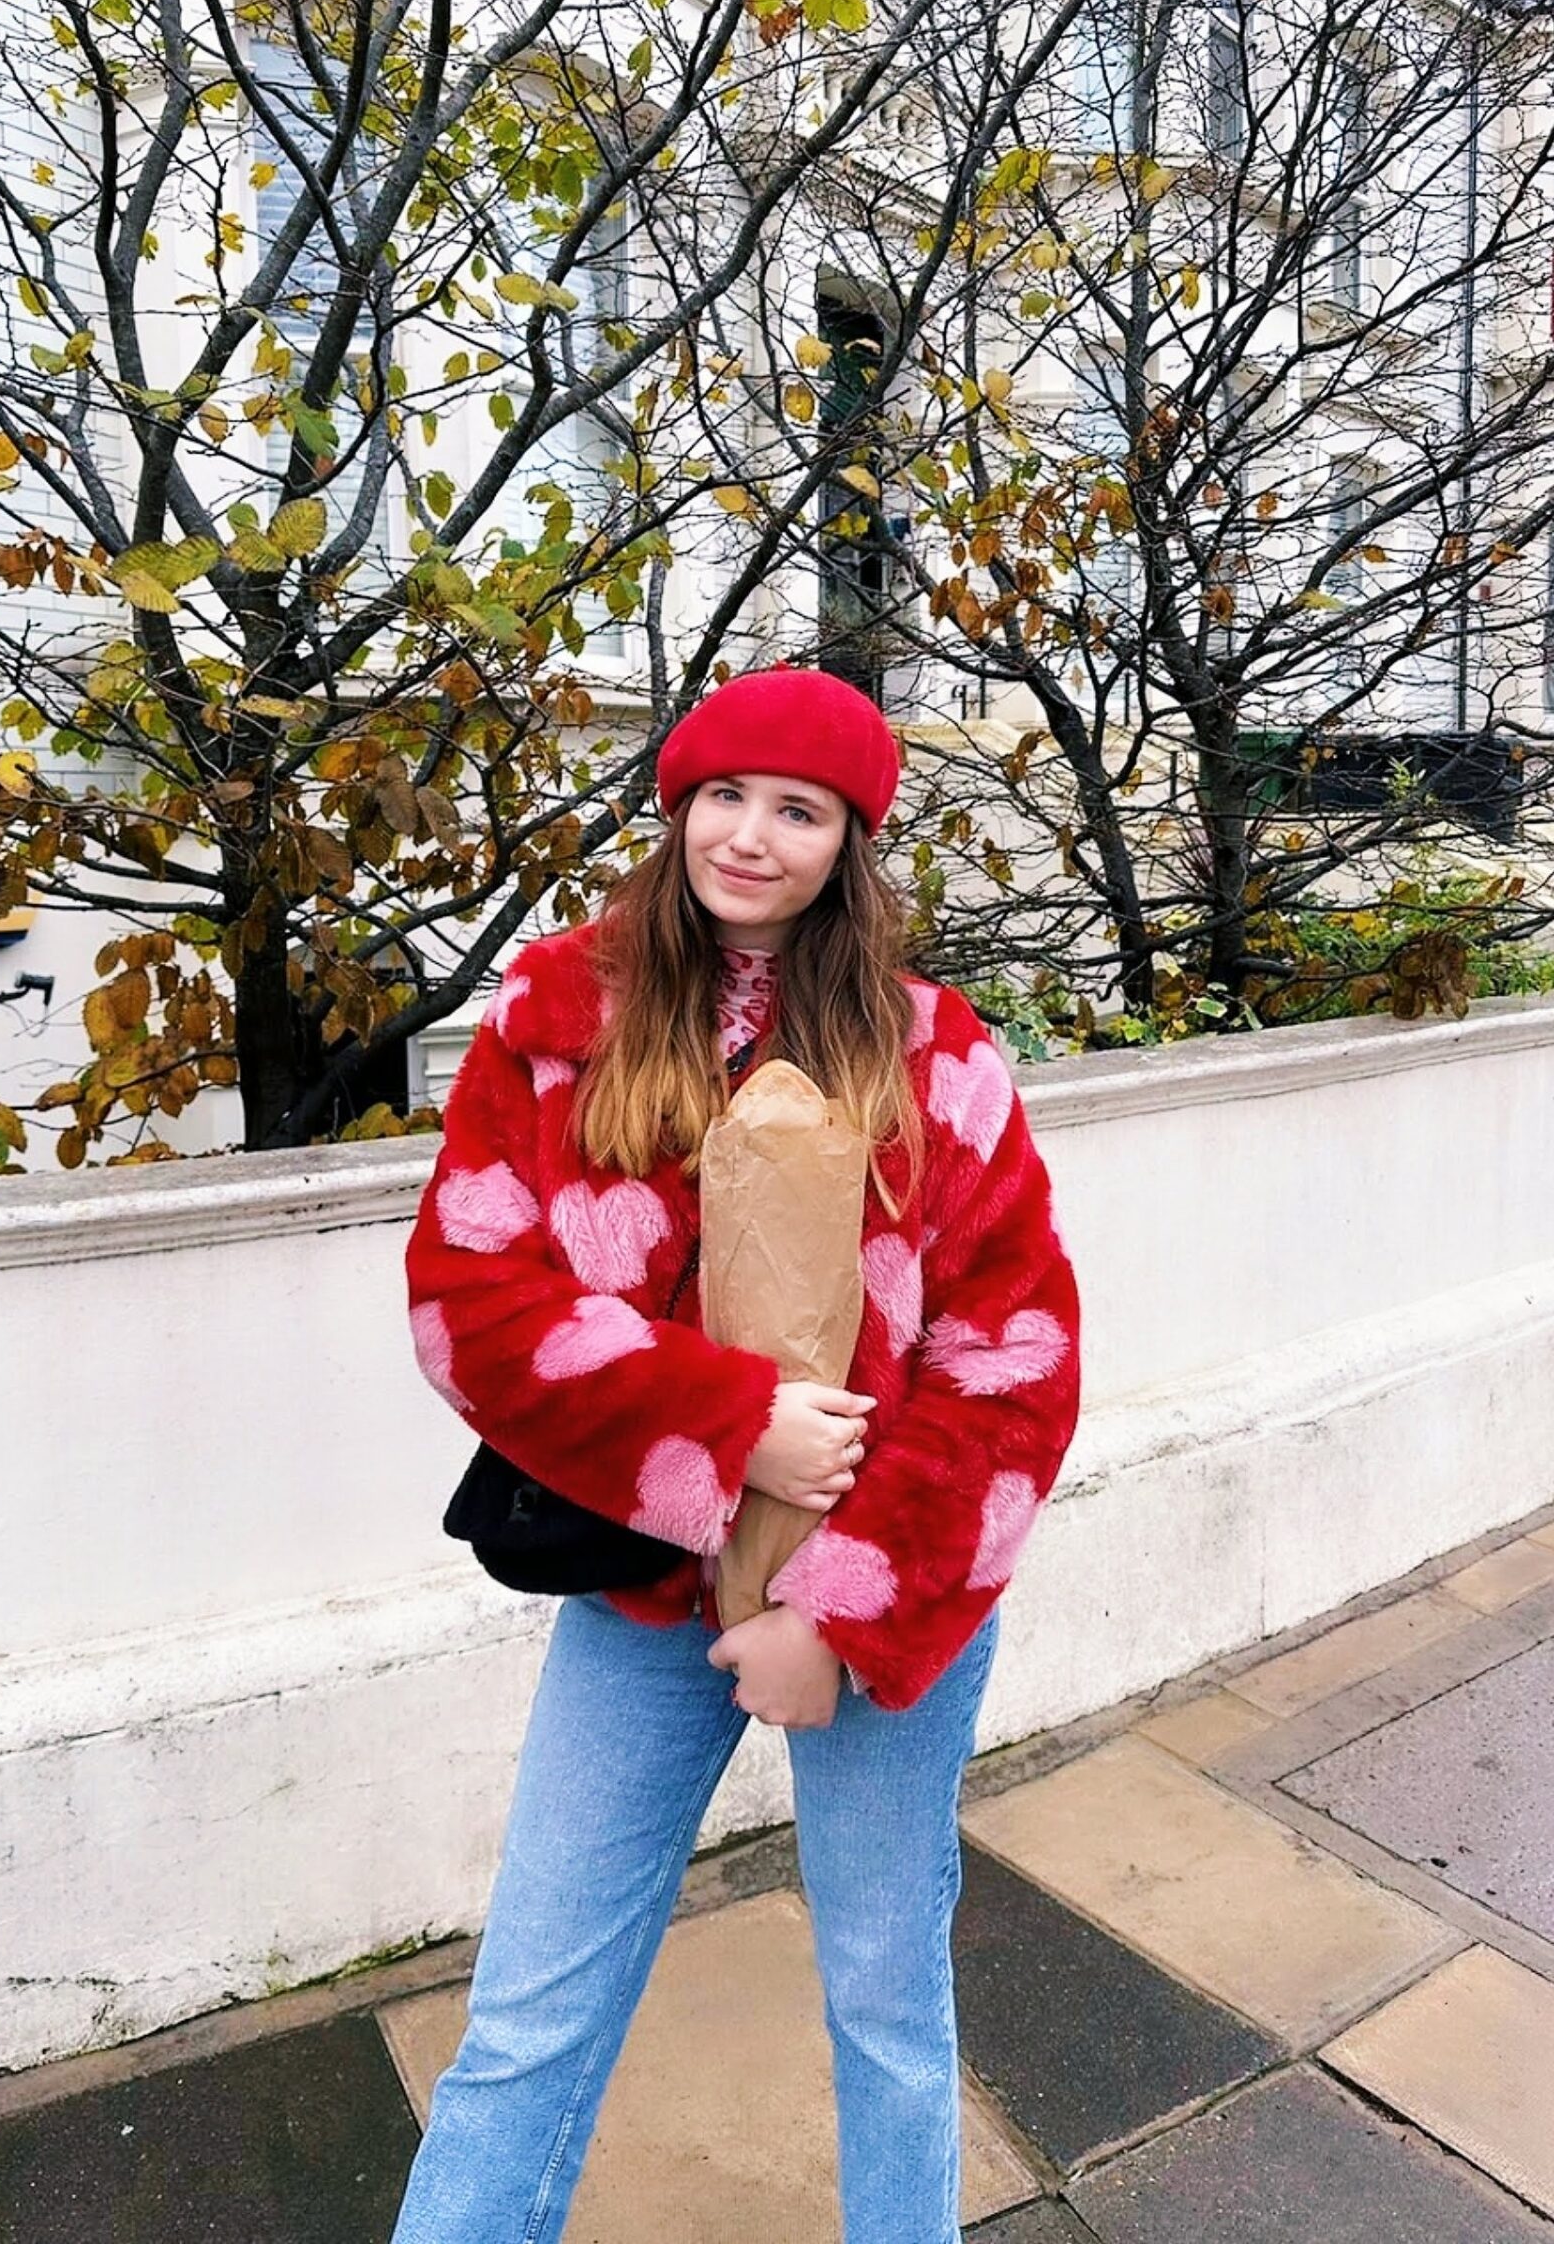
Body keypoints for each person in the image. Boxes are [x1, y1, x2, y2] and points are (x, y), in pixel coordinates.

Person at [393, 666, 1080, 2244]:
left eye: (799, 809)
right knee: (527, 2018)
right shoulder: (557, 1022)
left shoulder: (937, 1054)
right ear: (678, 803)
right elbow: (468, 1303)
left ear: (851, 841)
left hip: (888, 1610)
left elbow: (1013, 1367)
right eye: (725, 796)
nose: (750, 837)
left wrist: (833, 1612)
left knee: (887, 2017)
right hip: (640, 1599)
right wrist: (722, 1422)